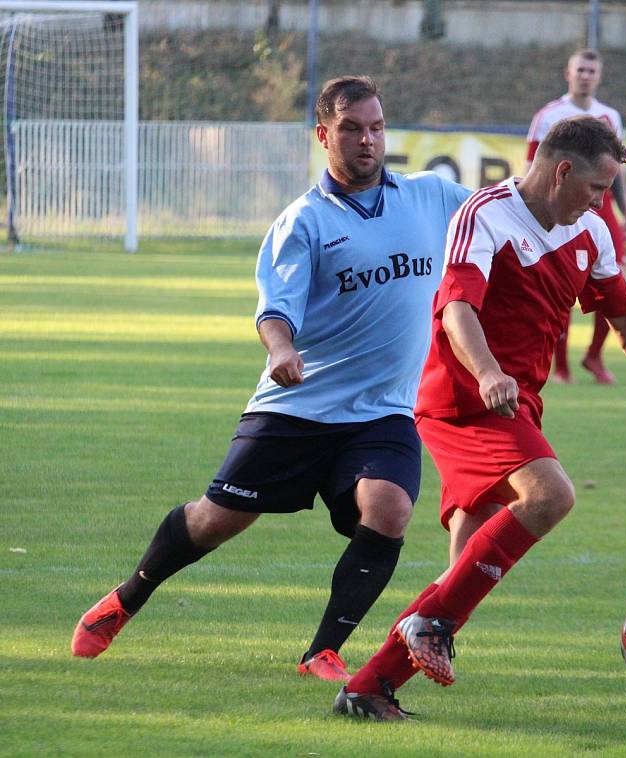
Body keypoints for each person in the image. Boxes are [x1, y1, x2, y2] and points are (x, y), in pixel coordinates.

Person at [71, 76, 471, 682]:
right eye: (352, 129)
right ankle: (128, 596)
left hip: (383, 410)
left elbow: (507, 206)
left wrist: (577, 166)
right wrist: (281, 348)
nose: (368, 140)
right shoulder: (303, 222)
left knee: (388, 510)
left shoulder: (432, 196)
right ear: (323, 135)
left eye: (377, 127)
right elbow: (274, 309)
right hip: (297, 404)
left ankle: (322, 652)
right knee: (217, 519)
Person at [333, 115, 626, 720]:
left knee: (460, 578)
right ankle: (425, 629)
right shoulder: (486, 215)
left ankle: (369, 688)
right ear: (561, 172)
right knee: (550, 494)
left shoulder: (590, 232)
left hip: (515, 404)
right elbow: (456, 307)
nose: (600, 201)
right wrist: (485, 372)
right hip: (463, 401)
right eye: (594, 187)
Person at [526, 48, 626, 385]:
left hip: (604, 211)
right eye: (581, 70)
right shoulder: (549, 115)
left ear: (599, 76)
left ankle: (594, 356)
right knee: (563, 283)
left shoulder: (609, 117)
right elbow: (532, 166)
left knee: (615, 280)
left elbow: (617, 172)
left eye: (592, 71)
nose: (586, 75)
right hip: (562, 207)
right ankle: (560, 367)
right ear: (568, 74)